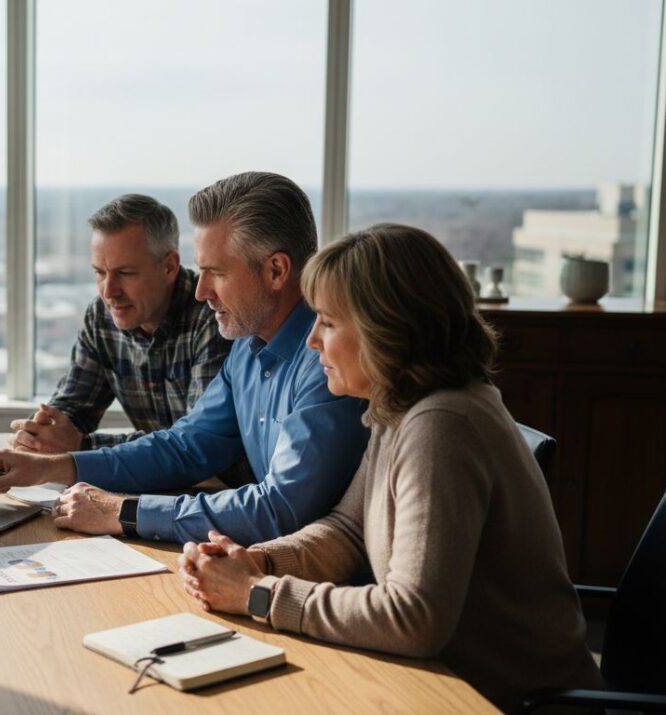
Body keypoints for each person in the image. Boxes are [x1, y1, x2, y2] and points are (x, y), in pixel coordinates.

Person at [177, 223, 602, 710]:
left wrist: (258, 593)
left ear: (388, 329)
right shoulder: (398, 408)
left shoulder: (442, 425)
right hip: (444, 685)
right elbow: (349, 530)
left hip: (506, 702)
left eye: (329, 322)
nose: (313, 341)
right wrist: (259, 560)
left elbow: (413, 618)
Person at [0, 171, 369, 546]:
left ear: (276, 271)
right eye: (200, 271)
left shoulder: (328, 360)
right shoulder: (247, 343)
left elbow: (280, 510)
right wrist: (50, 468)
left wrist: (122, 512)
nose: (201, 291)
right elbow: (186, 445)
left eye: (217, 273)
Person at [9, 194, 231, 456]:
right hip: (153, 482)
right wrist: (44, 431)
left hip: (219, 486)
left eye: (124, 273)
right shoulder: (101, 317)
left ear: (169, 266)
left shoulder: (212, 315)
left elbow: (196, 443)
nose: (109, 291)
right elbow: (75, 407)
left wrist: (83, 445)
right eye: (100, 273)